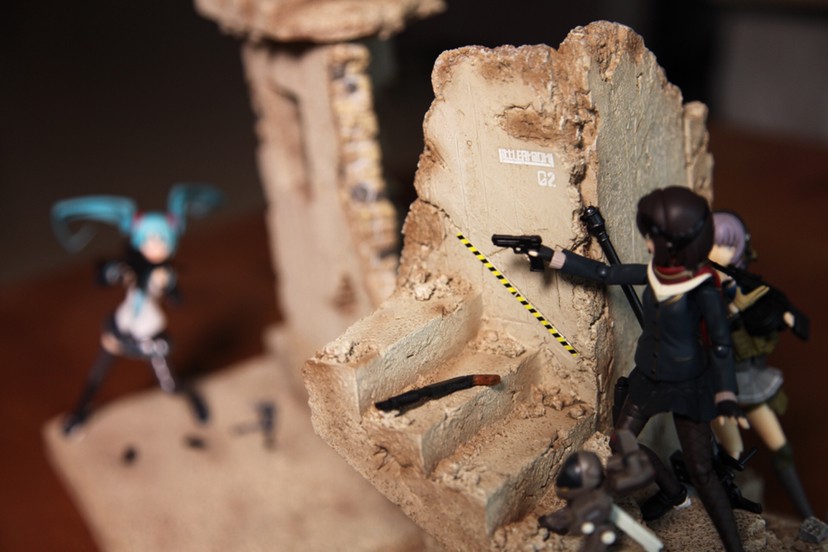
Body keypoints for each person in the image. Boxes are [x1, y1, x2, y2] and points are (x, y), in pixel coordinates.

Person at [516, 187, 747, 552]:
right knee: (620, 443)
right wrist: (551, 256)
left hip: (688, 385)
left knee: (702, 471)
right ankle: (671, 493)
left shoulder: (703, 288)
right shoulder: (656, 273)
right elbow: (606, 273)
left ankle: (735, 546)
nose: (648, 242)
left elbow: (720, 343)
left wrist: (726, 392)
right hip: (648, 378)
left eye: (654, 235)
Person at [52, 184, 222, 435]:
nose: (156, 246)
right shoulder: (130, 267)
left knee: (169, 384)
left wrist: (167, 283)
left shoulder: (163, 274)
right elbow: (102, 277)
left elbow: (178, 300)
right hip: (122, 325)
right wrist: (115, 272)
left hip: (149, 333)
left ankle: (193, 399)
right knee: (99, 372)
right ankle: (78, 414)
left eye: (162, 240)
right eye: (150, 240)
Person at [709, 211, 816, 522]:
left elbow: (780, 310)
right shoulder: (701, 288)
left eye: (726, 244)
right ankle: (719, 511)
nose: (717, 251)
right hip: (719, 384)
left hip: (749, 377)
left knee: (780, 447)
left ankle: (808, 517)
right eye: (712, 243)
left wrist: (782, 316)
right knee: (732, 451)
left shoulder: (746, 285)